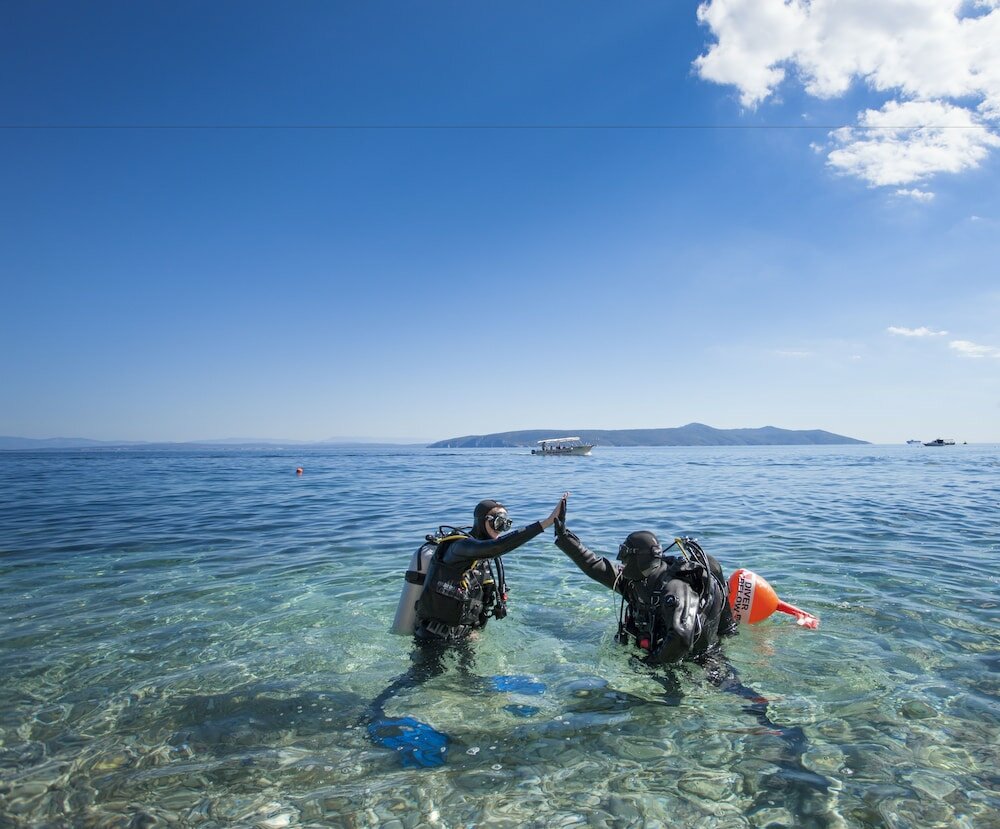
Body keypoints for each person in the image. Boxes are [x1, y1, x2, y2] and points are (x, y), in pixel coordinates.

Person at [552, 495, 832, 817]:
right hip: (665, 656)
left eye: (625, 557)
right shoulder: (633, 581)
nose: (619, 562)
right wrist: (563, 535)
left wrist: (652, 665)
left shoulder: (674, 590)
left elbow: (683, 637)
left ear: (641, 560)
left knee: (731, 690)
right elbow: (593, 565)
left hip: (700, 658)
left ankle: (777, 733)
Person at [366, 495, 565, 767]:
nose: (501, 526)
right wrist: (544, 523)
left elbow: (482, 600)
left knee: (468, 676)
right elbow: (500, 547)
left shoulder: (482, 556)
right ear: (482, 521)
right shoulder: (460, 548)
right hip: (433, 634)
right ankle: (376, 711)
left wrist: (476, 630)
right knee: (421, 675)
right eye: (497, 520)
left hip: (461, 633)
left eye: (505, 521)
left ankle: (469, 717)